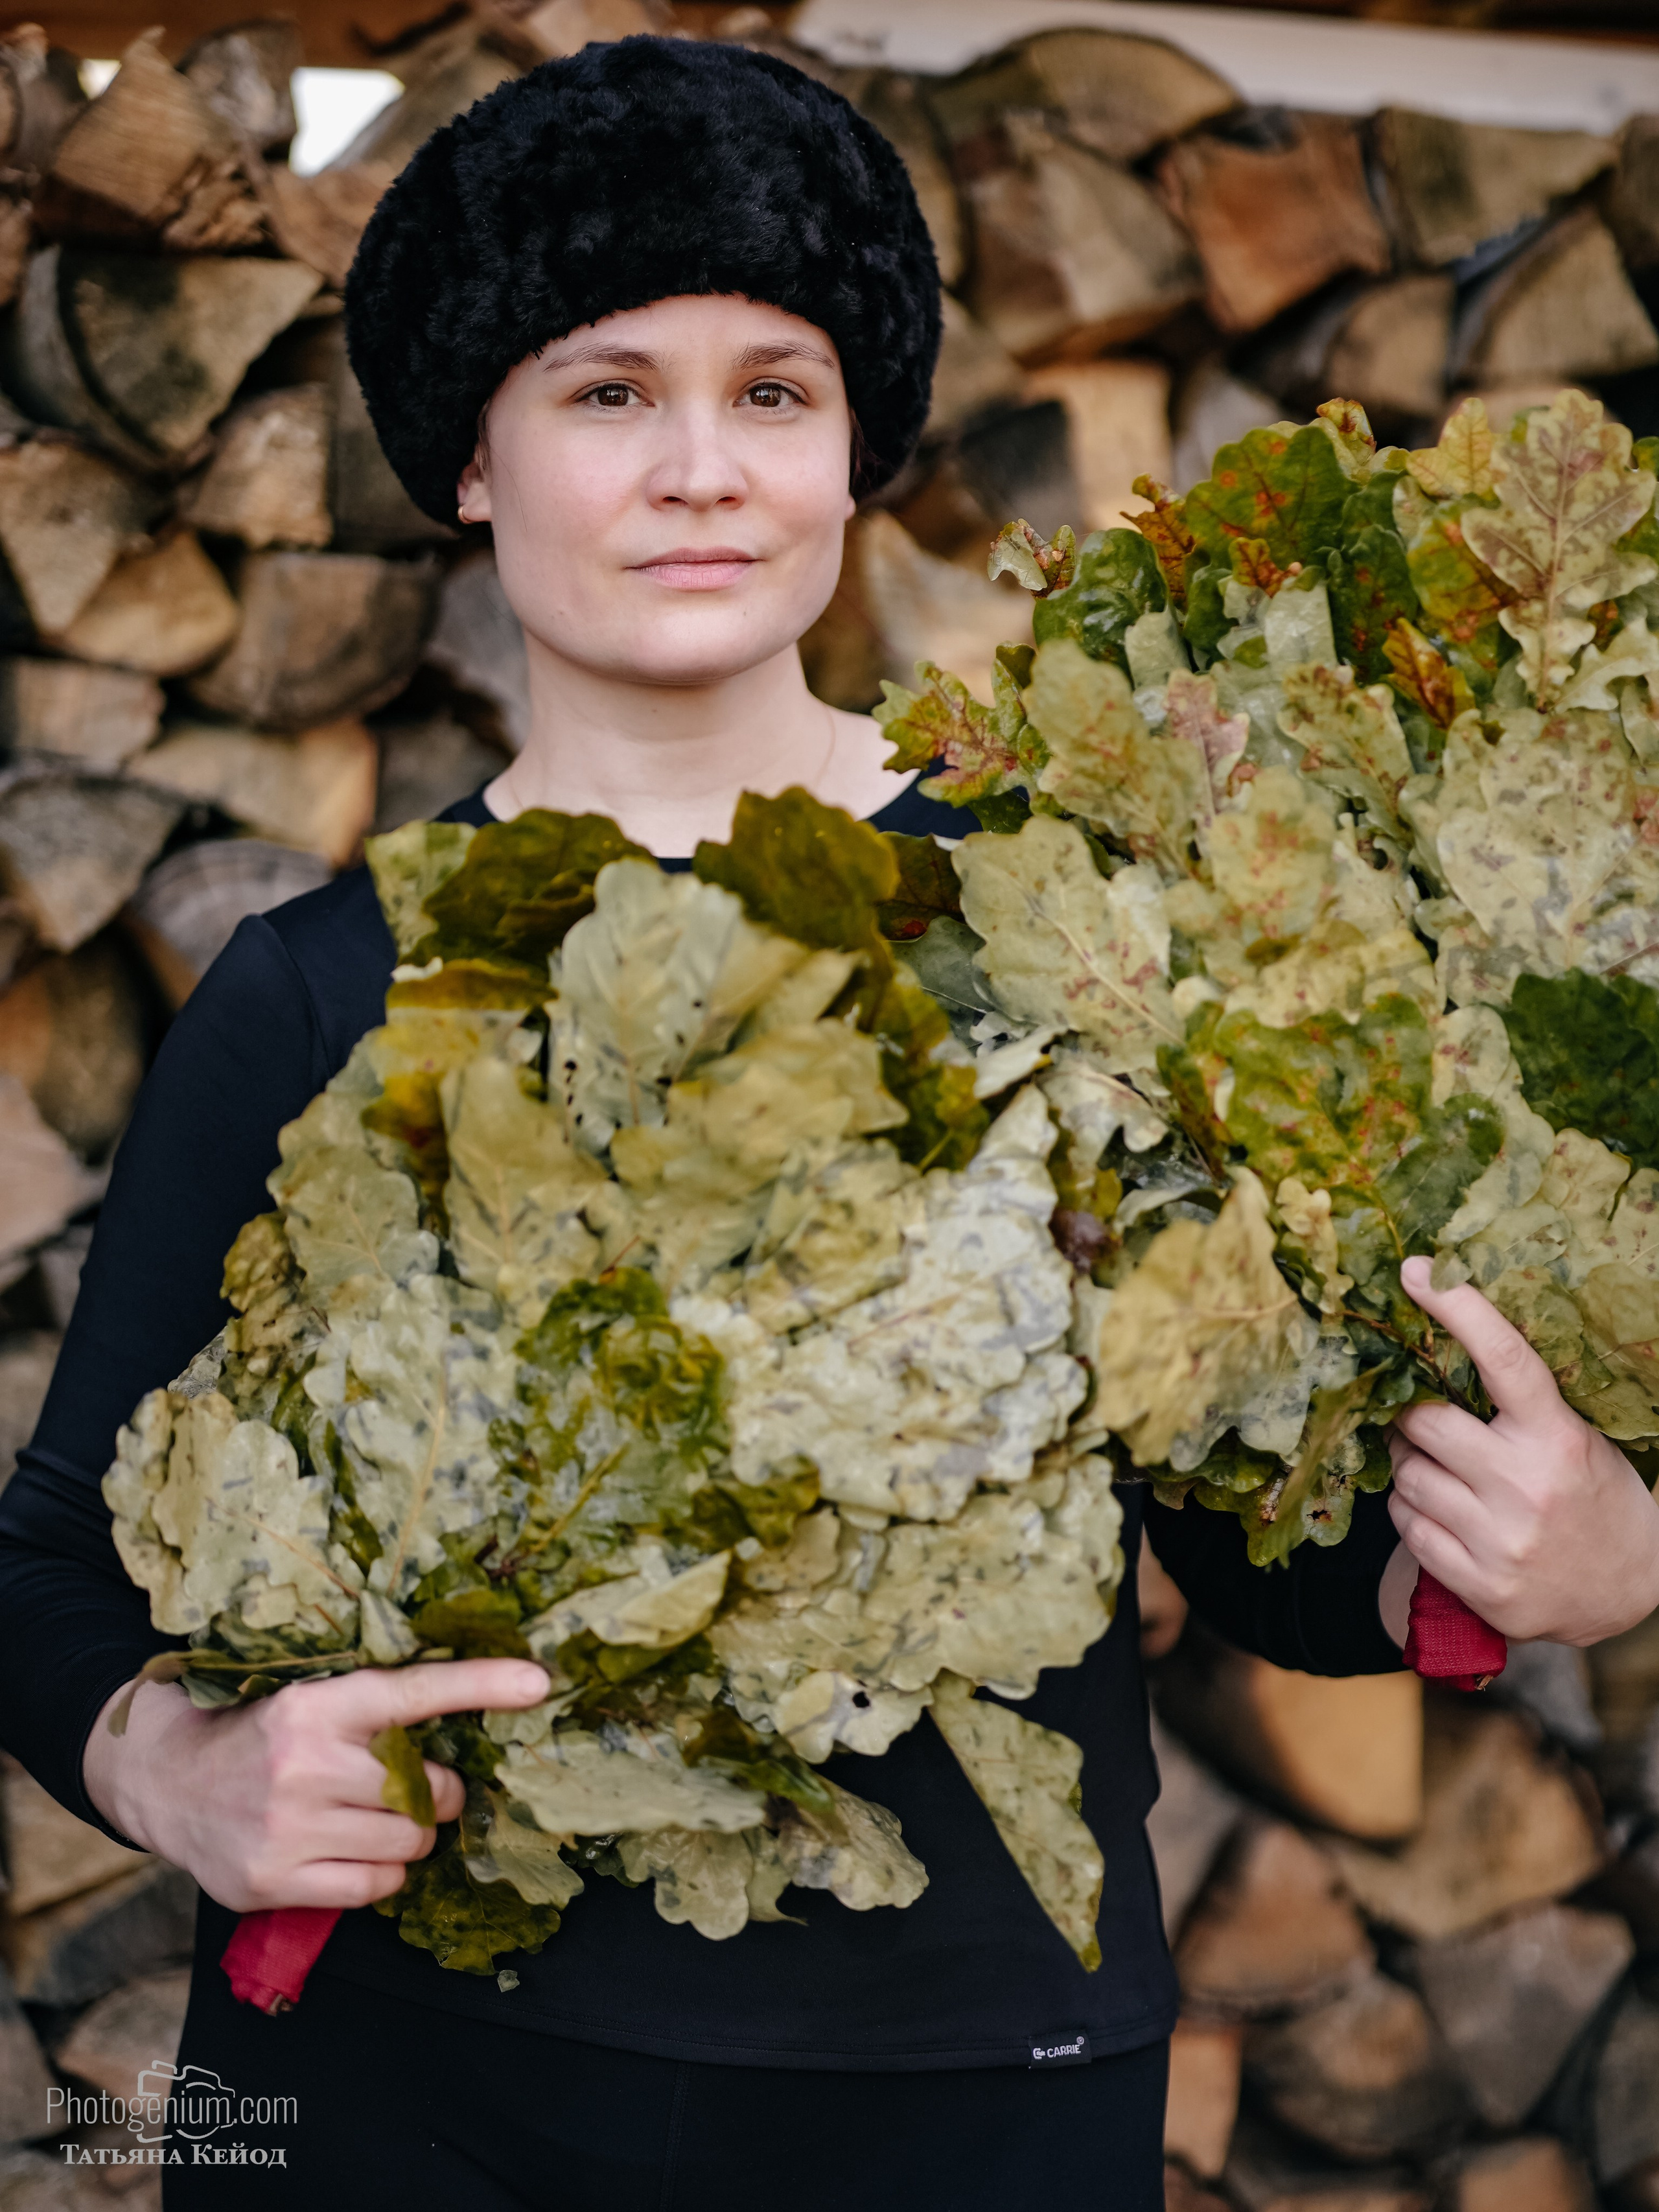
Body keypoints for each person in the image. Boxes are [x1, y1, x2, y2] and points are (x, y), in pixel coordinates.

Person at [3, 36, 1657, 2211]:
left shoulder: (1085, 922)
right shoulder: (318, 991)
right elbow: (51, 1572)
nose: (701, 469)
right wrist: (174, 1769)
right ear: (473, 456)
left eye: (772, 392)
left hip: (979, 2100)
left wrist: (1564, 1557)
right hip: (398, 2105)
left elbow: (1273, 1541)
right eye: (610, 391)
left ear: (858, 443)